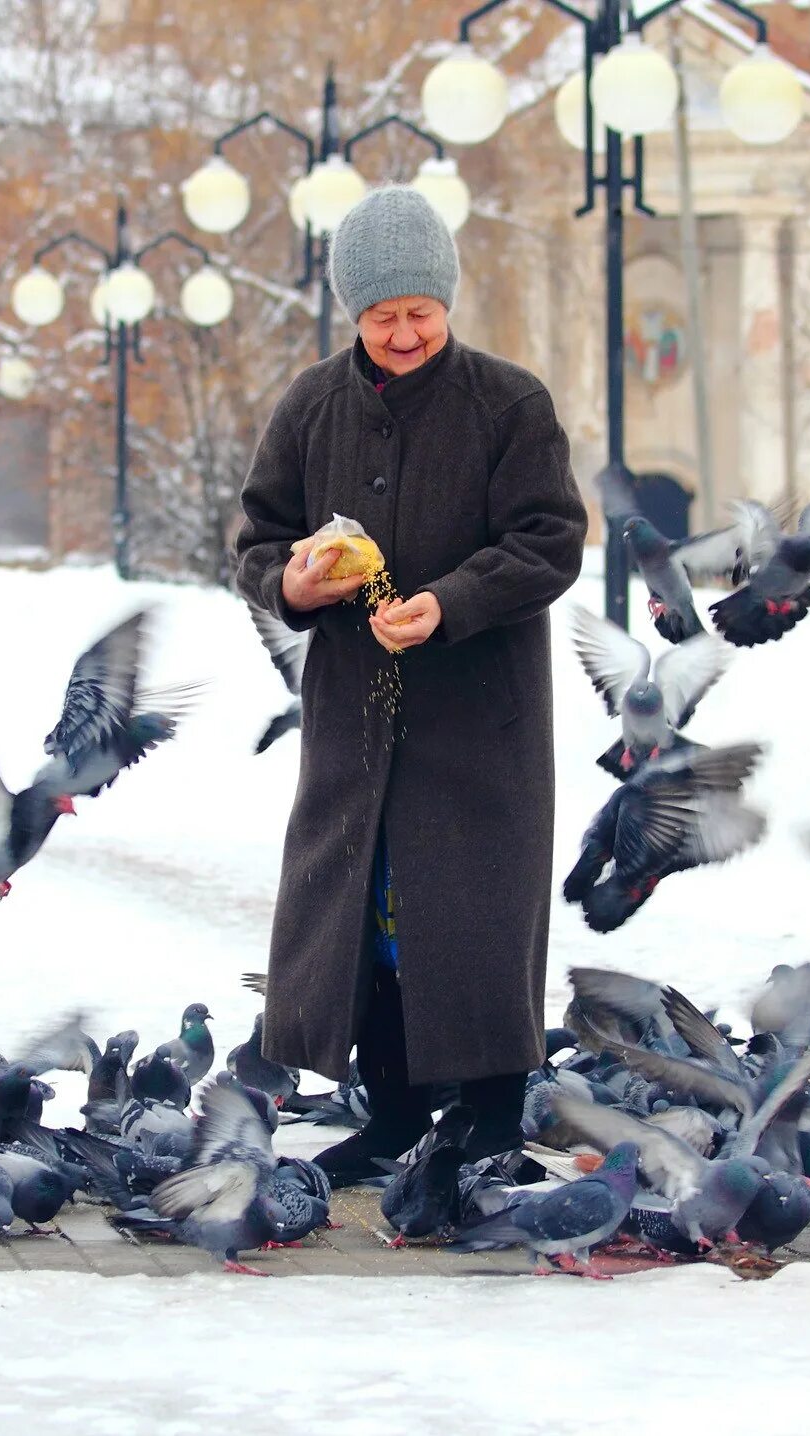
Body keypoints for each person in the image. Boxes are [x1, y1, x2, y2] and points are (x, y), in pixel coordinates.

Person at [235, 185, 588, 1186]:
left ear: (448, 302)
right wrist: (292, 580)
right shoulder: (310, 405)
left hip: (481, 714)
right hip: (356, 710)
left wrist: (450, 601)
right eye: (382, 315)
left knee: (474, 907)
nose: (402, 333)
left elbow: (551, 539)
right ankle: (390, 1115)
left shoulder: (508, 402)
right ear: (352, 312)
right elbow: (259, 538)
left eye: (419, 313)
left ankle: (486, 1117)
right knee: (368, 906)